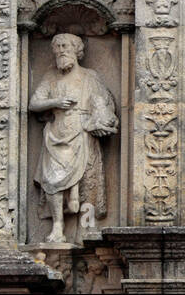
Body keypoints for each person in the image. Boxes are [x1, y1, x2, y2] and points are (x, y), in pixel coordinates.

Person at [29, 33, 119, 243]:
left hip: (82, 132)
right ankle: (58, 227)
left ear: (77, 50)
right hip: (56, 133)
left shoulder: (89, 77)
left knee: (88, 179)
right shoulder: (50, 77)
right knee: (52, 180)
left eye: (65, 46)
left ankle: (87, 227)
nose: (61, 50)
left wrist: (100, 121)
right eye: (57, 47)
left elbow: (106, 104)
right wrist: (56, 102)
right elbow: (34, 103)